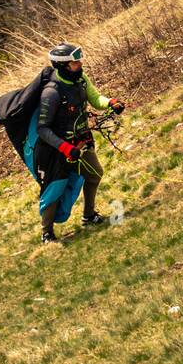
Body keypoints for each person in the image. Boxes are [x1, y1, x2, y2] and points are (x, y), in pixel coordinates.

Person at [34, 42, 125, 243]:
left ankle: (89, 215)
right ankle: (46, 232)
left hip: (82, 141)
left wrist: (110, 103)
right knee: (55, 188)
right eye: (76, 62)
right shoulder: (51, 92)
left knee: (94, 174)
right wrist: (65, 148)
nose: (80, 63)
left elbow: (95, 98)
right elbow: (42, 129)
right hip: (58, 149)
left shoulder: (81, 78)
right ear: (64, 65)